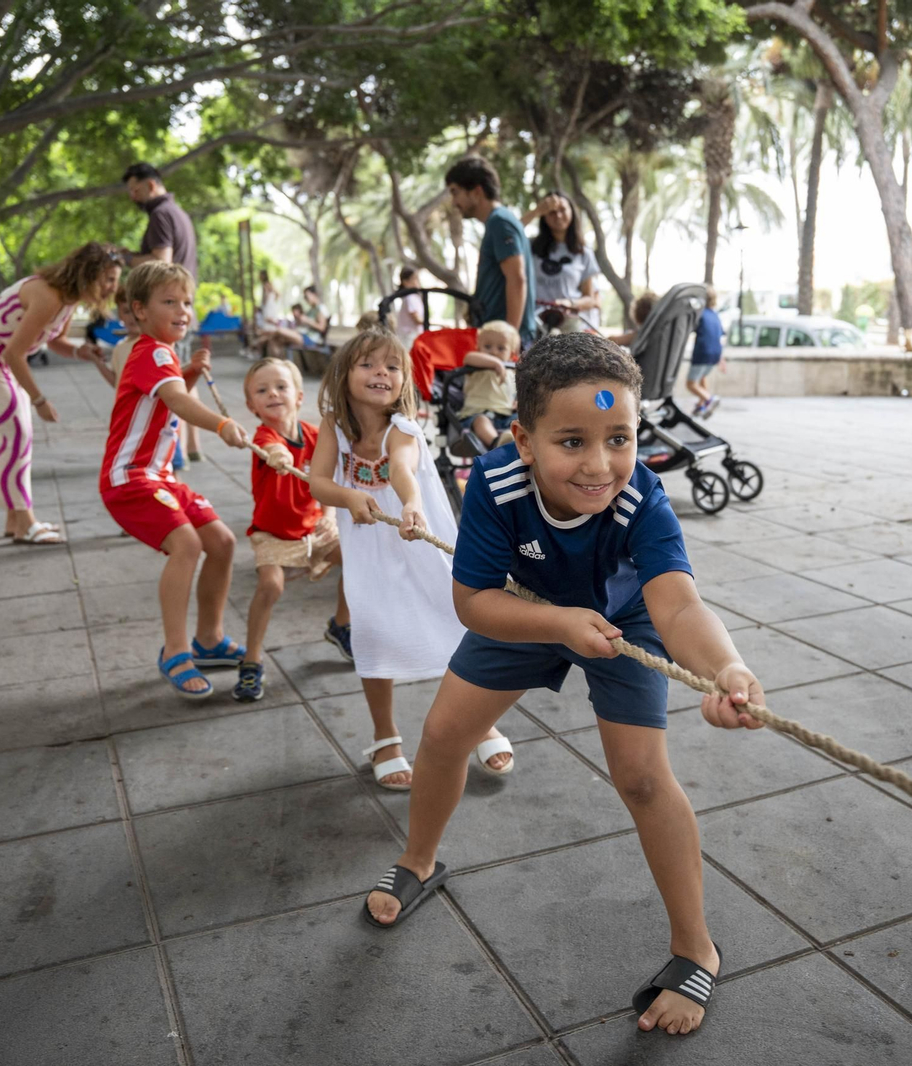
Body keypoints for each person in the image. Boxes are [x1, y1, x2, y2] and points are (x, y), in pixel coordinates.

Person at [360, 332, 766, 1038]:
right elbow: (473, 602)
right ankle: (418, 860)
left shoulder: (641, 497)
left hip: (623, 621)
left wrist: (724, 667)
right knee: (446, 732)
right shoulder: (494, 481)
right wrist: (555, 625)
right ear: (523, 439)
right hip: (520, 605)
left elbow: (677, 602)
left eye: (619, 437)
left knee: (642, 779)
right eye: (572, 441)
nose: (600, 463)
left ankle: (696, 947)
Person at [307, 328, 514, 790]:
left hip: (416, 534)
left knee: (455, 621)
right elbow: (317, 481)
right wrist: (346, 495)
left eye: (392, 366)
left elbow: (400, 470)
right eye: (368, 364)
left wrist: (411, 505)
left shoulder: (404, 428)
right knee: (374, 629)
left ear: (404, 382)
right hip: (368, 547)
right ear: (343, 376)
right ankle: (385, 736)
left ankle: (478, 722)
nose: (382, 372)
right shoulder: (333, 427)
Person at [101, 261, 251, 697]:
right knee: (187, 544)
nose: (183, 310)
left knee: (221, 542)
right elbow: (179, 405)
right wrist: (222, 424)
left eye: (186, 302)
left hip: (160, 477)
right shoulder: (151, 350)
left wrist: (187, 373)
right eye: (169, 302)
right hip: (129, 479)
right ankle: (175, 649)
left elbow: (169, 391)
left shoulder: (159, 354)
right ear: (139, 310)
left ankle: (209, 639)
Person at [0, 242, 121, 544]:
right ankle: (26, 523)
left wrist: (83, 352)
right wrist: (39, 399)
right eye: (109, 278)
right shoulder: (47, 295)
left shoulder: (68, 300)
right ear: (89, 273)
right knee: (17, 431)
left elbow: (55, 341)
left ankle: (15, 521)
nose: (113, 287)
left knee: (14, 434)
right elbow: (14, 353)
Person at [235, 357, 350, 702]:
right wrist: (278, 455)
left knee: (358, 556)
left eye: (281, 386)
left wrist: (329, 514)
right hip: (272, 533)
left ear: (299, 396)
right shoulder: (264, 437)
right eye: (262, 389)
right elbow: (273, 449)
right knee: (271, 585)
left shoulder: (316, 436)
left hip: (313, 527)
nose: (273, 393)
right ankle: (251, 659)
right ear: (251, 405)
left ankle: (340, 624)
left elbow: (326, 480)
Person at [124, 161, 203, 456]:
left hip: (168, 311)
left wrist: (126, 257)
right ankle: (191, 447)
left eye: (135, 189)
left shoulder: (159, 214)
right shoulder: (178, 212)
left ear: (152, 185)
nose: (133, 196)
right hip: (181, 306)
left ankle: (179, 453)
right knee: (179, 374)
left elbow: (161, 260)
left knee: (173, 382)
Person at [444, 155, 537, 346]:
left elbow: (517, 280)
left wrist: (509, 338)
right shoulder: (498, 222)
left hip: (503, 343)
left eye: (455, 192)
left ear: (476, 192)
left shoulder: (500, 222)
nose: (454, 202)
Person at [522, 191, 600, 332]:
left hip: (570, 327)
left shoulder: (584, 253)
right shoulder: (530, 246)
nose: (558, 216)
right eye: (551, 212)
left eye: (563, 210)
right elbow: (509, 233)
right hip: (534, 324)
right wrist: (536, 211)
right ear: (544, 216)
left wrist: (569, 303)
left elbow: (590, 299)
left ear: (572, 212)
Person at [458, 320, 520, 450]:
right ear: (479, 347)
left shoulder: (512, 372)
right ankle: (497, 443)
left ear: (511, 353)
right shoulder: (474, 366)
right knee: (480, 422)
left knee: (523, 419)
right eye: (487, 346)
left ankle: (511, 439)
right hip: (478, 413)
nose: (493, 352)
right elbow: (468, 357)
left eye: (501, 348)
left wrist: (518, 401)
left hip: (506, 414)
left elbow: (517, 392)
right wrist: (495, 364)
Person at [686, 286, 724, 418]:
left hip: (703, 352)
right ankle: (701, 405)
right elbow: (718, 336)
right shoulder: (715, 315)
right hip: (715, 354)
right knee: (701, 377)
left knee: (691, 384)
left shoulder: (700, 314)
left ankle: (710, 399)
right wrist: (721, 358)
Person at [262, 286, 331, 358]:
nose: (305, 299)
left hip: (310, 339)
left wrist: (308, 321)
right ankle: (277, 365)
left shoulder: (320, 308)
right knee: (275, 340)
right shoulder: (312, 310)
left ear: (314, 294)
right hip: (301, 334)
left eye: (306, 296)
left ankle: (263, 336)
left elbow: (322, 327)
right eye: (304, 297)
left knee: (279, 330)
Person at [392, 266, 425, 349]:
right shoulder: (410, 298)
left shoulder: (413, 297)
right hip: (409, 338)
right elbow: (417, 319)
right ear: (406, 282)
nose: (418, 282)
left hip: (412, 337)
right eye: (415, 279)